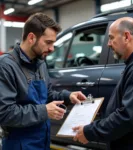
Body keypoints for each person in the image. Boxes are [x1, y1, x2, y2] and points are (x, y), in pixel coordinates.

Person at [0, 13, 86, 150]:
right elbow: (5, 113)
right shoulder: (6, 66)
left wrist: (67, 96)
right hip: (19, 144)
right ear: (31, 38)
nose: (52, 48)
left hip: (42, 140)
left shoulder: (40, 63)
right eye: (48, 42)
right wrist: (44, 111)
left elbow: (47, 95)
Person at [73, 17, 133, 150]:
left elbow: (128, 116)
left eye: (111, 38)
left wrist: (90, 131)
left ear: (126, 37)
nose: (108, 44)